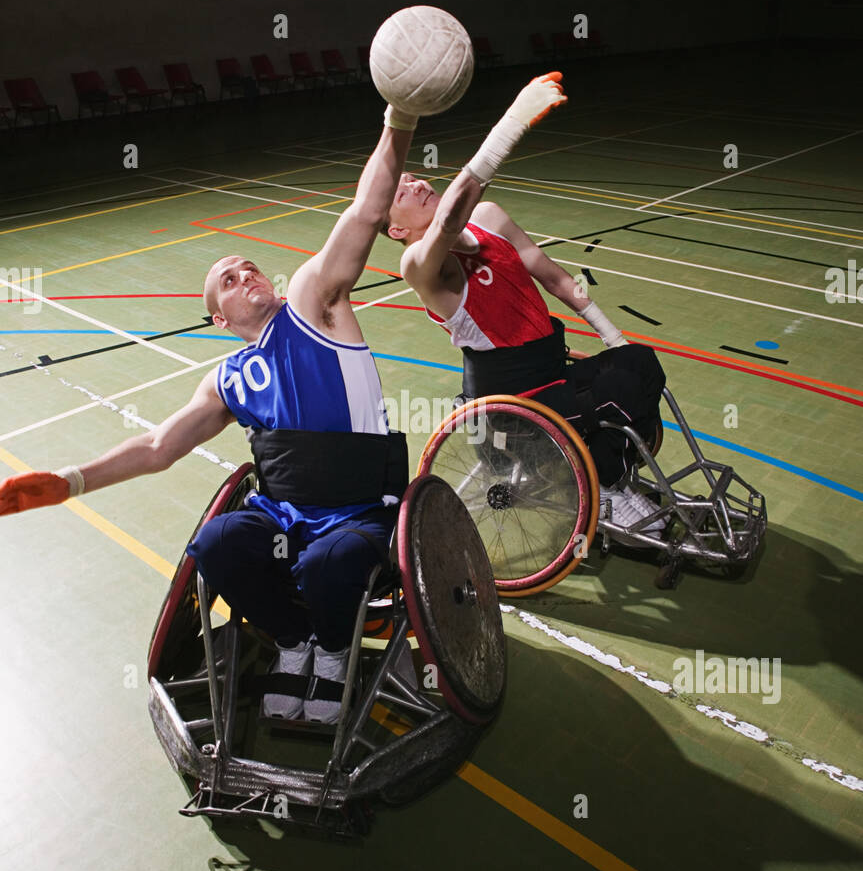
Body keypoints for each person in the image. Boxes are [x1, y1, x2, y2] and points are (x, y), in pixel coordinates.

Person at [0, 74, 568, 719]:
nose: (245, 275)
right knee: (216, 545)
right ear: (219, 315)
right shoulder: (228, 377)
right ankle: (294, 641)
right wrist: (70, 482)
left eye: (247, 266)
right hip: (284, 516)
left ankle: (331, 651)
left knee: (331, 561)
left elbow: (364, 209)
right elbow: (159, 447)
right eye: (228, 280)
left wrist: (399, 117)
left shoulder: (312, 302)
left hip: (361, 511)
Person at [384, 117, 667, 532]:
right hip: (513, 403)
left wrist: (613, 337)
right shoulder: (417, 265)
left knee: (641, 364)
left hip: (550, 374)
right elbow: (446, 225)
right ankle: (602, 491)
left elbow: (554, 277)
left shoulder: (488, 216)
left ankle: (607, 478)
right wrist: (509, 128)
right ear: (397, 229)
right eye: (402, 191)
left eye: (414, 177)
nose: (419, 185)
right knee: (621, 393)